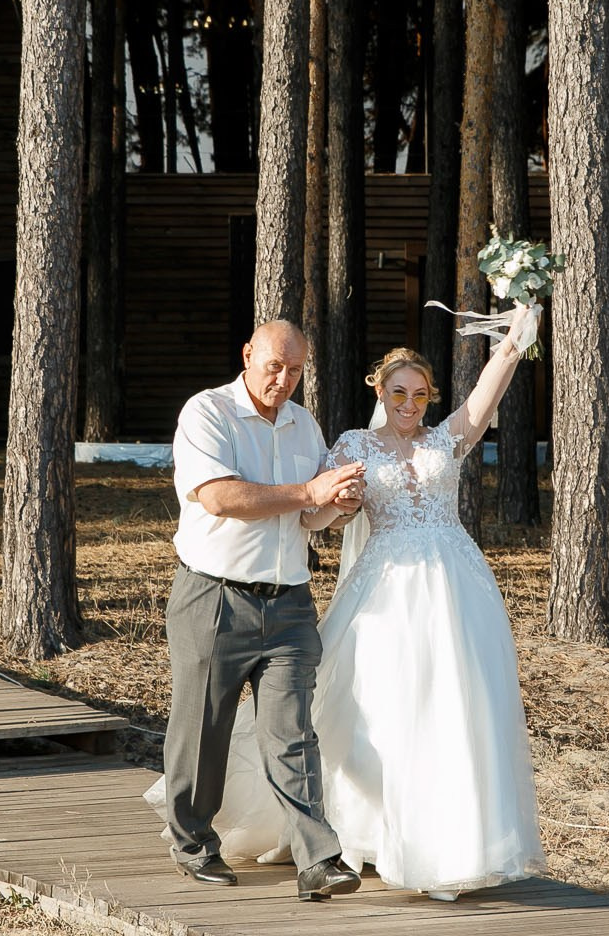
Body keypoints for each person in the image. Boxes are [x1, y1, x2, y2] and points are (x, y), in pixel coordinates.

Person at [311, 311, 548, 899]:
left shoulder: (448, 440)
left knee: (454, 703)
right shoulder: (353, 445)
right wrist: (338, 504)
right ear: (380, 390)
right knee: (386, 698)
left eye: (420, 394)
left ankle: (449, 842)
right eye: (399, 393)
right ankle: (366, 831)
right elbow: (322, 515)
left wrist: (516, 336)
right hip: (387, 585)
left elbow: (488, 392)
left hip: (457, 586)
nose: (409, 403)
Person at [159, 319, 370, 902]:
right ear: (248, 353)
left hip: (290, 604)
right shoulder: (208, 412)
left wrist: (341, 506)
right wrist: (312, 491)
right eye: (274, 365)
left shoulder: (304, 424)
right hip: (215, 597)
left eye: (296, 369)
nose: (283, 379)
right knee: (204, 729)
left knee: (293, 734)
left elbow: (310, 518)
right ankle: (194, 843)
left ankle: (319, 860)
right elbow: (221, 497)